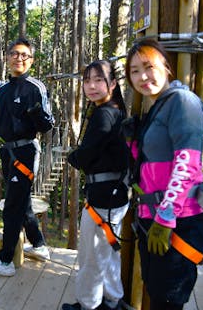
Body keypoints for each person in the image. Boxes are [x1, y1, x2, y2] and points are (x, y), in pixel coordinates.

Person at [124, 39, 203, 310]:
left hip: (177, 221)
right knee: (158, 290)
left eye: (148, 66)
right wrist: (133, 141)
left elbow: (187, 164)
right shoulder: (157, 107)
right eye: (134, 71)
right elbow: (152, 165)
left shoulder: (183, 102)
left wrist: (166, 217)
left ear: (167, 67)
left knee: (168, 299)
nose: (142, 76)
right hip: (155, 216)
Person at [0, 37, 55, 276]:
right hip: (8, 151)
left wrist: (36, 114)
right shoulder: (3, 89)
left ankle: (5, 262)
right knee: (22, 202)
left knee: (12, 205)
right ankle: (40, 246)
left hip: (25, 151)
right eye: (14, 53)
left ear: (31, 60)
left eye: (24, 55)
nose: (18, 58)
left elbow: (47, 126)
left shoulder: (35, 87)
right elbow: (4, 123)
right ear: (7, 57)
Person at [62, 60, 129, 310]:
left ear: (112, 84)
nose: (91, 86)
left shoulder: (104, 114)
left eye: (98, 80)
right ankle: (112, 299)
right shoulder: (115, 111)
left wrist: (73, 157)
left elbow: (86, 155)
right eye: (87, 80)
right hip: (115, 195)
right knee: (108, 253)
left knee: (91, 256)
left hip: (103, 199)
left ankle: (88, 304)